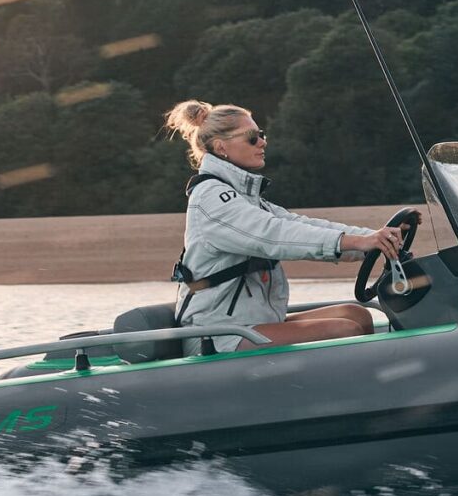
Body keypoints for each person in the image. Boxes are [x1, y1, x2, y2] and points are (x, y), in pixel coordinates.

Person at [162, 99, 410, 351]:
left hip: (252, 323)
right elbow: (273, 236)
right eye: (251, 138)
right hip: (217, 334)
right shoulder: (212, 198)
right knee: (345, 330)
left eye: (261, 135)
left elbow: (299, 223)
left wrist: (374, 240)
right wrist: (359, 241)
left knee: (356, 315)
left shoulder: (247, 199)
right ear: (221, 147)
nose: (262, 142)